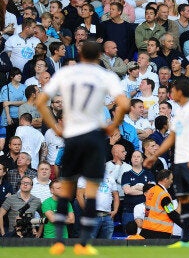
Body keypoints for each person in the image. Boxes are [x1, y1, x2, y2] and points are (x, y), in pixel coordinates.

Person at [35, 40, 130, 255]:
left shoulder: (67, 73)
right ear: (99, 56)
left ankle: (58, 242)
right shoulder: (106, 76)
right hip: (94, 136)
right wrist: (112, 126)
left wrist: (57, 130)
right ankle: (84, 244)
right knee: (92, 190)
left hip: (73, 135)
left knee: (66, 188)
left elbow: (41, 101)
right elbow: (124, 104)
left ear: (79, 53)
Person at [143, 79, 189, 248]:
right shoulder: (179, 112)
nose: (171, 93)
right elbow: (171, 138)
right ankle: (185, 240)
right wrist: (155, 155)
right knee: (183, 200)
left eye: (173, 90)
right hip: (178, 163)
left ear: (180, 91)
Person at [139, 169, 179, 239]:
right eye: (171, 179)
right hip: (159, 232)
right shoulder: (163, 195)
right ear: (166, 180)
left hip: (146, 230)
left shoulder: (151, 190)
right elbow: (171, 213)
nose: (172, 181)